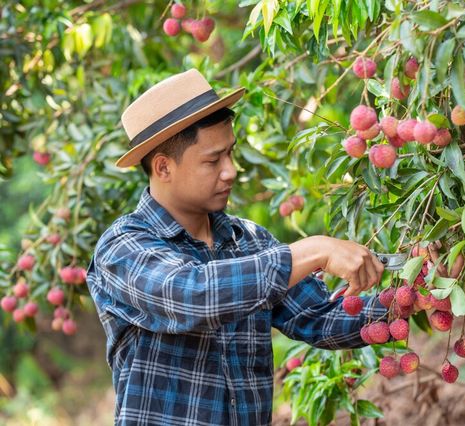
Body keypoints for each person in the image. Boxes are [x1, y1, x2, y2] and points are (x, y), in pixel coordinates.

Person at [86, 68, 388, 425]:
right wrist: (314, 249)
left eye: (230, 154)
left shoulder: (251, 242)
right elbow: (193, 295)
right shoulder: (122, 247)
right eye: (213, 160)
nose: (230, 171)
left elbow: (321, 319)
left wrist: (413, 292)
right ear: (163, 167)